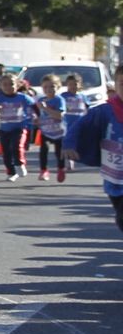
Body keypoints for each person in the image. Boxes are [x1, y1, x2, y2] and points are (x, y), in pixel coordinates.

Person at [63, 65, 123, 231]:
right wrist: (69, 144)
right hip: (115, 177)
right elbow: (80, 126)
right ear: (116, 86)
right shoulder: (104, 111)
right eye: (122, 84)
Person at [0, 72, 39, 181]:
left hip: (19, 127)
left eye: (11, 84)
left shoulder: (22, 97)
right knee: (6, 153)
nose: (8, 87)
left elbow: (35, 106)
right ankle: (11, 173)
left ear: (18, 85)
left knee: (17, 146)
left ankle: (20, 164)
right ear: (0, 86)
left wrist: (38, 117)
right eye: (5, 85)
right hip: (5, 129)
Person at [34, 74, 68, 182]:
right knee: (43, 150)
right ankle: (43, 170)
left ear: (58, 87)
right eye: (45, 87)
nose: (48, 89)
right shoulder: (41, 100)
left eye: (52, 86)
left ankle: (61, 169)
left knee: (59, 153)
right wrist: (36, 119)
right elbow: (37, 114)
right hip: (46, 131)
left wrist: (45, 108)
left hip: (59, 132)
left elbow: (59, 115)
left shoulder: (59, 100)